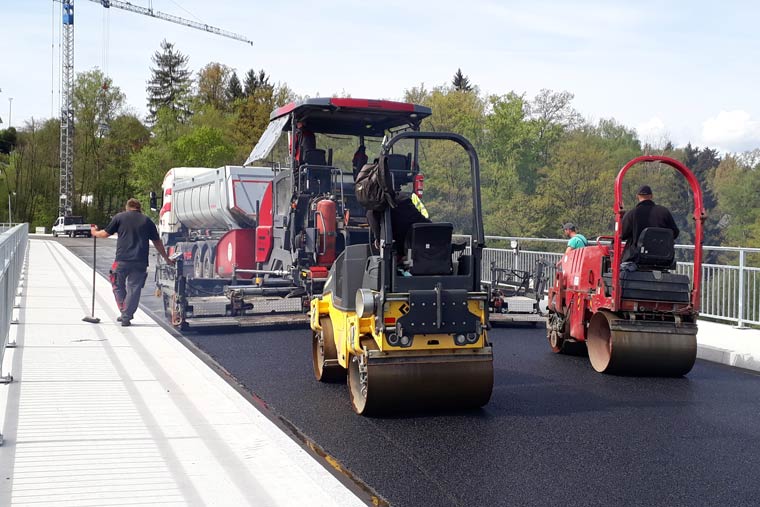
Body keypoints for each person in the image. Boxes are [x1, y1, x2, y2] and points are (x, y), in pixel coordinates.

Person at [91, 198, 174, 327]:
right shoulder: (147, 221)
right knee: (134, 289)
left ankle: (124, 312)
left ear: (127, 207)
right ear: (139, 208)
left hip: (122, 260)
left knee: (116, 284)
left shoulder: (120, 217)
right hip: (140, 262)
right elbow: (157, 242)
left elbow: (105, 234)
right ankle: (126, 314)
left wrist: (94, 232)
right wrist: (167, 258)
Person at [620, 185, 679, 264]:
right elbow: (675, 233)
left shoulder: (632, 213)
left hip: (638, 258)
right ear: (651, 196)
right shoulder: (664, 212)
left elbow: (622, 235)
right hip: (663, 258)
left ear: (637, 196)